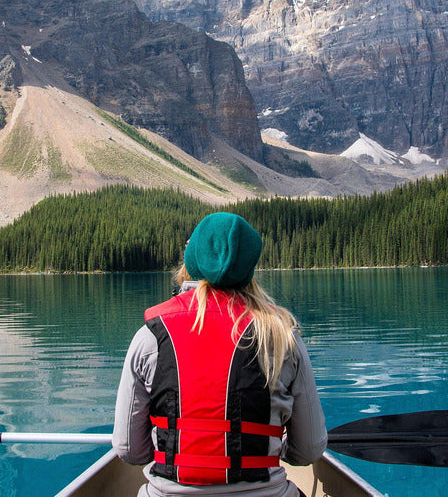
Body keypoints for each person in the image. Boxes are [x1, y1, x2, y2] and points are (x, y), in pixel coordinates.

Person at [114, 212, 327, 496]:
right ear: (249, 268)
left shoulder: (151, 336)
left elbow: (130, 450)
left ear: (191, 263)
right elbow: (308, 450)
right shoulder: (282, 337)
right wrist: (275, 447)